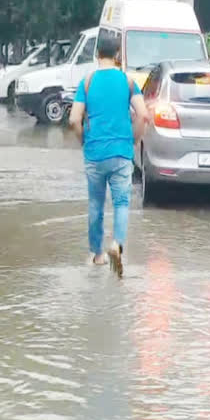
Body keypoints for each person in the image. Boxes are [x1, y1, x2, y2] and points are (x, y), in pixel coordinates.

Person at [69, 36, 148, 277]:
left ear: (96, 54)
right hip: (122, 153)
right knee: (122, 203)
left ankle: (97, 254)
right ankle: (117, 245)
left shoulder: (87, 82)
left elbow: (73, 119)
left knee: (95, 203)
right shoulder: (128, 81)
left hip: (94, 153)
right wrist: (133, 140)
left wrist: (84, 141)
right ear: (117, 55)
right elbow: (144, 115)